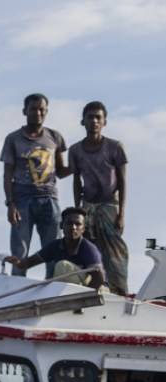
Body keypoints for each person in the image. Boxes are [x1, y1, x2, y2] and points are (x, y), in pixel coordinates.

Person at [1, 93, 69, 275]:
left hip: (49, 199)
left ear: (46, 112)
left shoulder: (55, 137)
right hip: (22, 201)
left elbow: (61, 171)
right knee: (20, 253)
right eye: (33, 109)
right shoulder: (13, 139)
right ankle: (17, 292)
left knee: (54, 251)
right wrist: (10, 203)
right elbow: (7, 174)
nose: (37, 113)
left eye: (42, 109)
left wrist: (80, 165)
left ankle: (52, 292)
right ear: (25, 111)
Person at [70, 101, 129, 294]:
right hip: (88, 205)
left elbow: (122, 181)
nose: (94, 121)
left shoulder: (114, 146)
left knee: (115, 250)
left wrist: (121, 213)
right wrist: (77, 209)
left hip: (109, 204)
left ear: (104, 122)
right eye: (90, 117)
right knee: (89, 248)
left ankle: (120, 291)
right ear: (83, 121)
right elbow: (77, 181)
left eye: (98, 117)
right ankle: (95, 289)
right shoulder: (76, 150)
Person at [5, 207, 106, 289]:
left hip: (97, 289)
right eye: (69, 223)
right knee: (48, 282)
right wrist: (18, 262)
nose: (73, 227)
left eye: (78, 224)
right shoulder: (55, 246)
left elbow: (99, 278)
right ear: (62, 225)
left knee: (62, 266)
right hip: (76, 287)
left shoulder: (88, 248)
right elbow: (28, 263)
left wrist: (83, 300)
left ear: (83, 229)